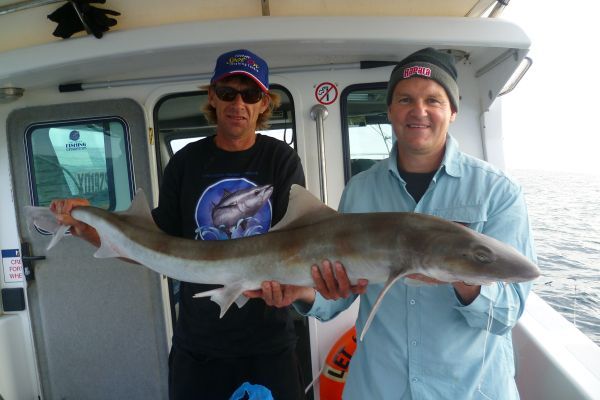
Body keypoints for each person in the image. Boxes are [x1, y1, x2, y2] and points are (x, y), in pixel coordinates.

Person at [248, 47, 537, 399]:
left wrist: (461, 273)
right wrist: (304, 292)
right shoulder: (360, 190)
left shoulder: (498, 192)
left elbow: (507, 314)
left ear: (453, 111)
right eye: (405, 99)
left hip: (466, 390)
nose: (419, 111)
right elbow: (337, 299)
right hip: (379, 388)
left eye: (434, 100)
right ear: (389, 111)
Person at [50, 49, 306, 400]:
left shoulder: (281, 159)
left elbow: (294, 242)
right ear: (212, 97)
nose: (238, 104)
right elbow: (152, 247)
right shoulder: (186, 163)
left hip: (268, 343)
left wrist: (300, 287)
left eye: (250, 95)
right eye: (228, 92)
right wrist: (85, 229)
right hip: (199, 344)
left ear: (264, 103)